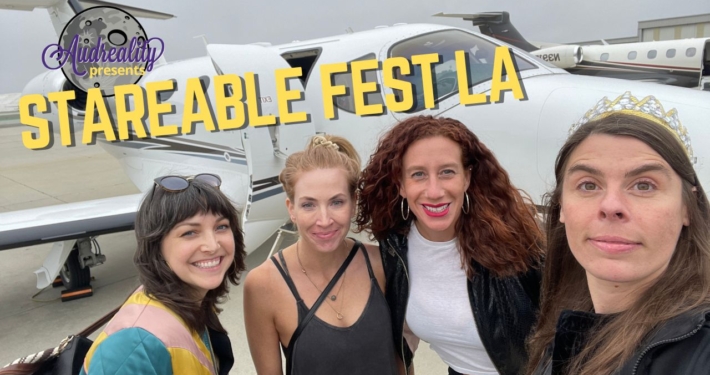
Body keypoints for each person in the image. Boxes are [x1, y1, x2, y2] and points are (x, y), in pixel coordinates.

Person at [526, 93, 710, 375]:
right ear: (561, 206)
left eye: (644, 185)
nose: (611, 207)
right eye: (588, 185)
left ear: (687, 207)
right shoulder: (567, 319)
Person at [356, 115, 545, 375]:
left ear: (466, 178)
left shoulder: (518, 242)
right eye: (418, 174)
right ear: (401, 185)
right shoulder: (394, 247)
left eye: (447, 172)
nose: (434, 191)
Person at [243, 135, 398, 375]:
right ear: (291, 209)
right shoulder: (263, 284)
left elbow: (401, 361)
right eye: (308, 205)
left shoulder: (382, 264)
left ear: (354, 202)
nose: (324, 220)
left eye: (337, 202)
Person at [81, 173, 247, 375]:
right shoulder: (134, 348)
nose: (212, 245)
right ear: (156, 246)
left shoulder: (192, 302)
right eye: (189, 232)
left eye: (221, 227)